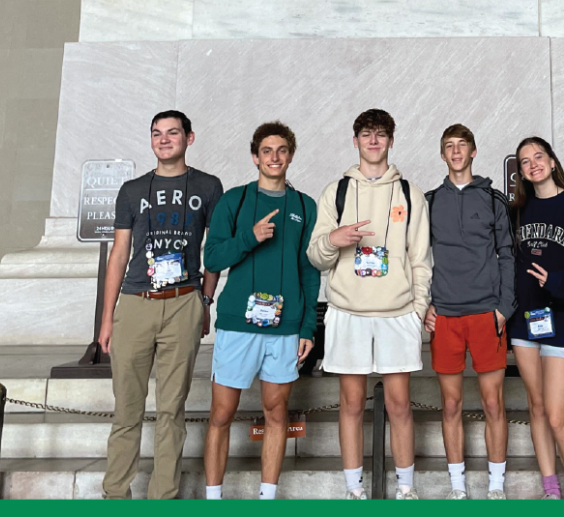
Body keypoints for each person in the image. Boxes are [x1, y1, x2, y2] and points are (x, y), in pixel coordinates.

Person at [307, 109, 433, 500]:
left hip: (397, 314)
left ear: (392, 140)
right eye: (366, 134)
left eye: (381, 134)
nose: (373, 141)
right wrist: (335, 240)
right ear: (355, 140)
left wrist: (416, 310)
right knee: (350, 403)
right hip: (348, 312)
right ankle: (353, 489)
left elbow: (421, 259)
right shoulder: (337, 191)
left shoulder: (410, 193)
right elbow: (316, 256)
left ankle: (406, 488)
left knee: (399, 404)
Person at [99, 111, 224, 500]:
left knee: (172, 410)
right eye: (157, 133)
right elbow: (119, 255)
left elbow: (215, 250)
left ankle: (163, 497)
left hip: (184, 302)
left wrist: (205, 301)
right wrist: (107, 320)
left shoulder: (208, 186)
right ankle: (115, 494)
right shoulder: (132, 189)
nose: (164, 139)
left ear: (189, 138)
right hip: (136, 303)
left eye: (173, 133)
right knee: (127, 409)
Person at [201, 122, 320, 500]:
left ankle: (267, 498)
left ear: (290, 156)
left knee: (277, 412)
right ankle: (213, 499)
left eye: (282, 150)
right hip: (238, 323)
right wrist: (249, 237)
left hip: (285, 328)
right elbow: (213, 258)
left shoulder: (305, 206)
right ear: (255, 157)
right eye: (267, 151)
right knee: (221, 414)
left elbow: (308, 271)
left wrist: (307, 328)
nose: (274, 157)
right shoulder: (234, 200)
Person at [423, 124, 515, 500]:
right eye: (449, 146)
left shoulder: (494, 200)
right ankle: (457, 487)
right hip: (444, 315)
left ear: (473, 152)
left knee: (493, 402)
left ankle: (496, 486)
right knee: (450, 404)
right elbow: (418, 258)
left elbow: (508, 255)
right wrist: (425, 302)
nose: (456, 151)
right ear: (443, 155)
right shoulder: (428, 201)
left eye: (462, 145)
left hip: (485, 314)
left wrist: (504, 307)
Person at [506, 137, 564, 500]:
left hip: (562, 321)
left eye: (538, 157)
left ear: (553, 161)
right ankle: (551, 491)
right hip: (525, 321)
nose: (533, 165)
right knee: (538, 407)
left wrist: (554, 281)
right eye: (525, 161)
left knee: (559, 417)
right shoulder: (518, 211)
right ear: (522, 172)